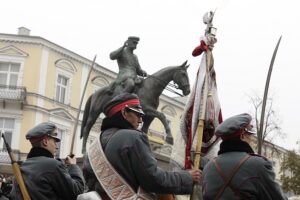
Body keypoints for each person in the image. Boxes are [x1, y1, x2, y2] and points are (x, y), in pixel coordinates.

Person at [82, 93, 201, 199]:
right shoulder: (133, 137)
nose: (140, 121)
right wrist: (187, 177)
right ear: (124, 112)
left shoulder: (94, 144)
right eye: (138, 115)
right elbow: (153, 180)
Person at [202, 113, 287, 200]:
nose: (252, 140)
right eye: (250, 136)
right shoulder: (259, 165)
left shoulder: (208, 167)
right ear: (242, 136)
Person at [10, 122, 84, 200]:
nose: (57, 147)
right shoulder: (53, 165)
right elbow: (77, 192)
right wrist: (73, 166)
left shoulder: (21, 167)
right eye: (54, 142)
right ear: (45, 142)